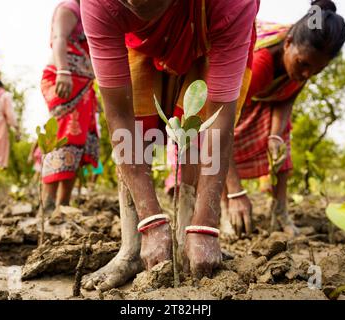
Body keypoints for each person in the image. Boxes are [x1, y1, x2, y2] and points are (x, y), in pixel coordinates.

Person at [81, 0, 259, 291]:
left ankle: (190, 242)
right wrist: (150, 220)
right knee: (139, 126)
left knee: (194, 130)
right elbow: (120, 118)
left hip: (209, 40)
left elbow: (218, 123)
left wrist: (206, 224)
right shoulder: (98, 5)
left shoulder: (232, 5)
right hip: (140, 45)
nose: (138, 6)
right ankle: (132, 249)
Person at [222, 0, 345, 238]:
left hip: (259, 98)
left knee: (283, 137)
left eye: (315, 71)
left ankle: (280, 211)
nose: (306, 75)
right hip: (228, 97)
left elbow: (285, 99)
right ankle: (225, 208)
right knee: (222, 141)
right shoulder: (260, 63)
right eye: (303, 65)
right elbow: (219, 125)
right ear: (288, 43)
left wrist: (275, 135)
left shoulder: (305, 64)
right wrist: (236, 192)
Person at [40, 0, 99, 215]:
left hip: (82, 86)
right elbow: (59, 38)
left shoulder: (86, 10)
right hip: (66, 80)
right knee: (63, 139)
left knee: (78, 143)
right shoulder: (69, 7)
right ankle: (47, 205)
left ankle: (62, 205)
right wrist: (63, 71)